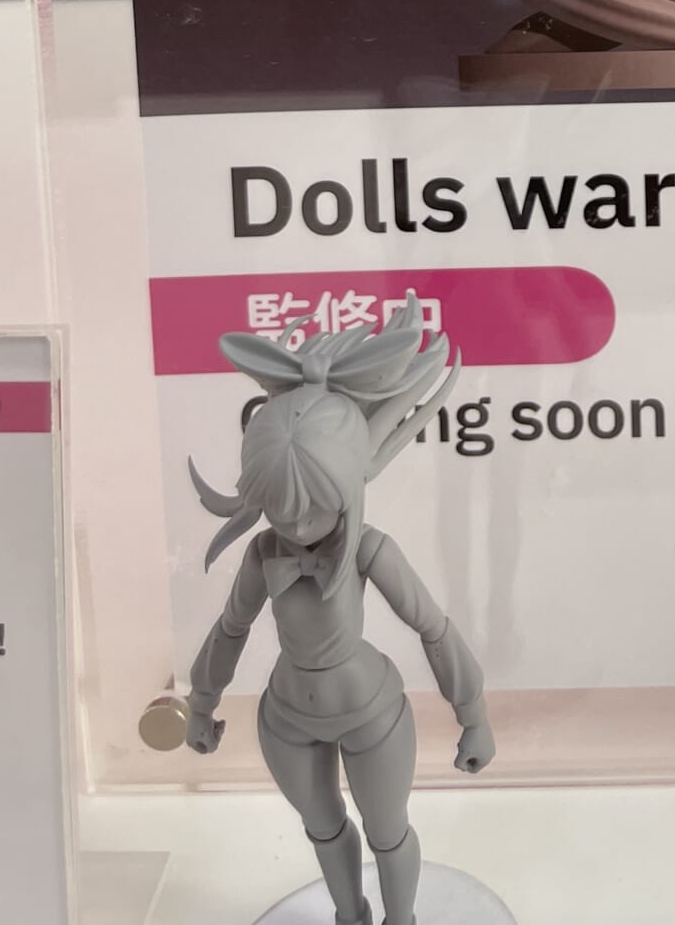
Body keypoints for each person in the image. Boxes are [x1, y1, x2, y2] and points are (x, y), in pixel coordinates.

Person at [185, 296, 494, 925]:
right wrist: (201, 702)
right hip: (286, 717)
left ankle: (401, 920)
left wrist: (473, 715)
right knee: (323, 830)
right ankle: (350, 915)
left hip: (372, 712)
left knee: (388, 834)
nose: (297, 526)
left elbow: (432, 628)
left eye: (314, 508)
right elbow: (230, 630)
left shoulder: (370, 551)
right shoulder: (263, 554)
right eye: (280, 508)